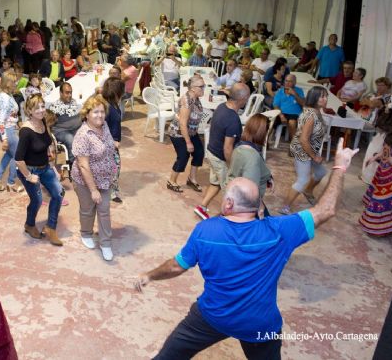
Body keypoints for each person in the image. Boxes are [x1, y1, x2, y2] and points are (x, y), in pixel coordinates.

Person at [134, 140, 359, 359]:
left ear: (229, 204)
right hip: (260, 324)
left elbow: (175, 266)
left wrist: (149, 275)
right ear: (258, 205)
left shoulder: (205, 231)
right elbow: (326, 209)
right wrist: (339, 166)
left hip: (213, 316)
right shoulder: (280, 231)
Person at [194, 83, 250, 220]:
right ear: (242, 99)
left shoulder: (221, 107)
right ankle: (227, 219)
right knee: (230, 191)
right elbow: (227, 148)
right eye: (247, 96)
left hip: (212, 152)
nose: (248, 99)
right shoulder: (233, 120)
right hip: (220, 158)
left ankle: (202, 207)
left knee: (216, 183)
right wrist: (233, 167)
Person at [72, 94, 118, 260]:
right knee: (88, 210)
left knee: (104, 210)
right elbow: (83, 166)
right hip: (85, 181)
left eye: (102, 111)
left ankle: (106, 244)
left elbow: (110, 144)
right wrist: (93, 190)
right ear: (86, 114)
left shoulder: (104, 125)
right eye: (95, 112)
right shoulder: (83, 135)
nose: (100, 115)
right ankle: (86, 233)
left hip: (105, 179)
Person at [15, 94, 64, 246]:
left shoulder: (42, 121)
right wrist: (29, 176)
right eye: (37, 108)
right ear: (29, 111)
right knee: (37, 200)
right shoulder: (26, 131)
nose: (42, 110)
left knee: (59, 193)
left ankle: (51, 227)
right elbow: (18, 159)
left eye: (43, 106)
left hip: (45, 167)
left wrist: (50, 157)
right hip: (29, 170)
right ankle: (29, 225)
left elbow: (45, 141)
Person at [360, 103, 392, 241]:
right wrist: (375, 157)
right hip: (384, 170)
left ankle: (381, 229)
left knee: (386, 200)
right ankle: (374, 226)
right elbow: (387, 147)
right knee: (378, 196)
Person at [281, 86, 329, 214]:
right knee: (302, 180)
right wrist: (314, 156)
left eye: (326, 96)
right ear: (314, 98)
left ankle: (308, 191)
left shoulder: (316, 111)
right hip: (303, 150)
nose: (325, 99)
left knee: (321, 172)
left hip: (310, 150)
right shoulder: (311, 115)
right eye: (322, 96)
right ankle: (285, 206)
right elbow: (303, 140)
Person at [227, 114, 273, 216]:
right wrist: (260, 207)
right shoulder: (252, 157)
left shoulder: (240, 146)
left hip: (235, 196)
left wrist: (268, 178)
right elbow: (251, 189)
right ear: (262, 133)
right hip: (249, 205)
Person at [167, 76, 205, 193]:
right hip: (179, 133)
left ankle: (191, 179)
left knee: (199, 153)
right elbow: (183, 124)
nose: (204, 88)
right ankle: (171, 181)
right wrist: (188, 142)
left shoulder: (195, 97)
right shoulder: (187, 101)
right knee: (183, 156)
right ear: (193, 88)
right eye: (201, 86)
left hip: (191, 132)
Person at [0, 73, 22, 192]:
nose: (16, 83)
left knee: (10, 154)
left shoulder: (3, 94)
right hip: (5, 128)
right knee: (18, 155)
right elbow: (1, 121)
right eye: (14, 81)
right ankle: (11, 182)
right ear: (8, 83)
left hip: (3, 127)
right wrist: (4, 139)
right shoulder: (5, 99)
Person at [101, 77, 124, 203]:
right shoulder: (107, 108)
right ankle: (111, 192)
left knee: (113, 167)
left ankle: (110, 190)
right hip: (108, 144)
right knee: (115, 167)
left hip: (111, 142)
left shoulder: (112, 104)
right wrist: (113, 141)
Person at [48, 82, 82, 162]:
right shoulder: (55, 107)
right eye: (67, 93)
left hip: (76, 128)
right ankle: (72, 162)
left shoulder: (73, 101)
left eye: (71, 92)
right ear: (60, 93)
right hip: (62, 131)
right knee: (70, 139)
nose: (69, 95)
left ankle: (86, 159)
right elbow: (49, 122)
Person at [273, 73, 305, 140]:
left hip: (294, 114)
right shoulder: (280, 91)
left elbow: (303, 103)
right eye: (286, 81)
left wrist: (295, 94)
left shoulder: (299, 90)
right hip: (281, 113)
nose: (287, 83)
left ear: (294, 83)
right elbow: (275, 105)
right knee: (270, 122)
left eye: (290, 81)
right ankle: (264, 142)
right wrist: (281, 116)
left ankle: (293, 144)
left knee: (292, 123)